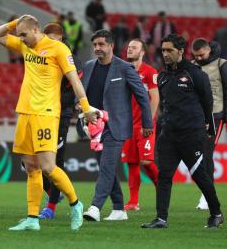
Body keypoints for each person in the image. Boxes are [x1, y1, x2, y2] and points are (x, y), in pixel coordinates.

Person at [0, 14, 96, 231]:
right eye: (18, 35)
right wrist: (15, 23)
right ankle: (32, 218)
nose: (21, 38)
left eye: (24, 34)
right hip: (25, 112)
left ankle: (76, 204)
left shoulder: (58, 48)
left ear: (36, 29)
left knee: (48, 166)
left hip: (46, 113)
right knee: (31, 167)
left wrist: (85, 109)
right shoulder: (25, 45)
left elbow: (75, 80)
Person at [142, 34, 224, 229]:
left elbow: (208, 103)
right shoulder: (162, 76)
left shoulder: (196, 74)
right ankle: (161, 219)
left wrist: (209, 129)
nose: (165, 54)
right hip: (169, 136)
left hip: (191, 135)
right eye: (163, 50)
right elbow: (164, 104)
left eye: (169, 50)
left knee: (200, 176)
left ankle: (216, 213)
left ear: (180, 51)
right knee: (164, 176)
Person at [81, 30, 153, 222]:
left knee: (106, 167)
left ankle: (95, 207)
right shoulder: (88, 67)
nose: (97, 48)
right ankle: (119, 209)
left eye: (101, 44)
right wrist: (82, 113)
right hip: (94, 128)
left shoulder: (125, 68)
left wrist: (147, 123)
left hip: (116, 126)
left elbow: (143, 96)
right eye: (95, 45)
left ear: (111, 46)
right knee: (107, 168)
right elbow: (80, 96)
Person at [38, 23, 82, 219]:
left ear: (60, 39)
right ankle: (52, 192)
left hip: (59, 115)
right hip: (39, 113)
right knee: (29, 162)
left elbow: (72, 90)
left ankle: (51, 207)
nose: (48, 43)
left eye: (52, 39)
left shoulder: (69, 60)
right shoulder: (40, 55)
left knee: (55, 163)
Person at [121, 38, 160, 211]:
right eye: (129, 47)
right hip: (128, 125)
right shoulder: (122, 70)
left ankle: (163, 187)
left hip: (145, 125)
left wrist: (148, 122)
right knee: (132, 162)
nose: (130, 49)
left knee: (145, 161)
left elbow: (155, 97)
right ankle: (133, 201)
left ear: (142, 52)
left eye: (134, 47)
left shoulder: (150, 72)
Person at [191, 38, 227, 210]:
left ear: (208, 50)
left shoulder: (221, 64)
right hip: (195, 117)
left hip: (215, 116)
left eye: (201, 55)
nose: (198, 58)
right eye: (195, 55)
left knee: (206, 153)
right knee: (198, 155)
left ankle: (207, 196)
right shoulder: (192, 66)